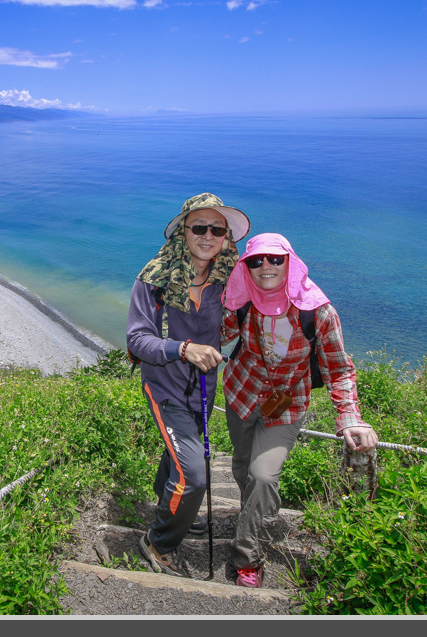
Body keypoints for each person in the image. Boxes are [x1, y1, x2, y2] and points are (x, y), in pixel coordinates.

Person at [220, 232, 378, 588]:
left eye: (275, 259)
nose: (266, 267)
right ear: (246, 266)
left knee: (263, 476)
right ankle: (253, 517)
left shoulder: (318, 311)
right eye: (256, 261)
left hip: (287, 407)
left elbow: (339, 368)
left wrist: (349, 419)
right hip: (241, 395)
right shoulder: (241, 300)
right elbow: (217, 335)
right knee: (242, 468)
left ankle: (247, 555)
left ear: (290, 263)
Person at [127, 193, 250, 577]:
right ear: (184, 231)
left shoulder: (229, 279)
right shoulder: (154, 279)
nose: (208, 236)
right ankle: (159, 542)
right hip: (164, 388)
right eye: (200, 227)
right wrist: (183, 349)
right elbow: (136, 339)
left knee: (179, 454)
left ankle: (174, 509)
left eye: (217, 229)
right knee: (194, 474)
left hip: (201, 389)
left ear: (226, 237)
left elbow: (265, 296)